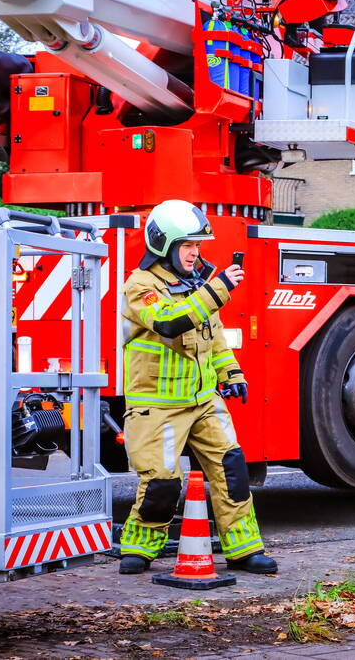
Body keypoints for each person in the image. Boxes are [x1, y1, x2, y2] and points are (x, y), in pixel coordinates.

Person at [117, 199, 276, 576]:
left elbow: (214, 336)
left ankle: (243, 550)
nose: (194, 253)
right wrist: (219, 287)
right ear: (163, 245)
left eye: (197, 246)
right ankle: (139, 548)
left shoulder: (196, 283)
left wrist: (231, 374)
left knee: (232, 470)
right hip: (158, 404)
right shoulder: (141, 286)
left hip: (204, 400)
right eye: (187, 246)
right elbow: (170, 322)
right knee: (161, 483)